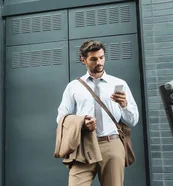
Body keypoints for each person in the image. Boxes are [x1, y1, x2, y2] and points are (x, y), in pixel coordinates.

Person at [56, 40, 139, 186]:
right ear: (83, 60)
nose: (99, 62)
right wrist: (81, 123)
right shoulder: (73, 87)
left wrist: (124, 105)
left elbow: (133, 120)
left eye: (101, 57)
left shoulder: (118, 83)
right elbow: (61, 118)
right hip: (84, 144)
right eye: (93, 59)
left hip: (112, 143)